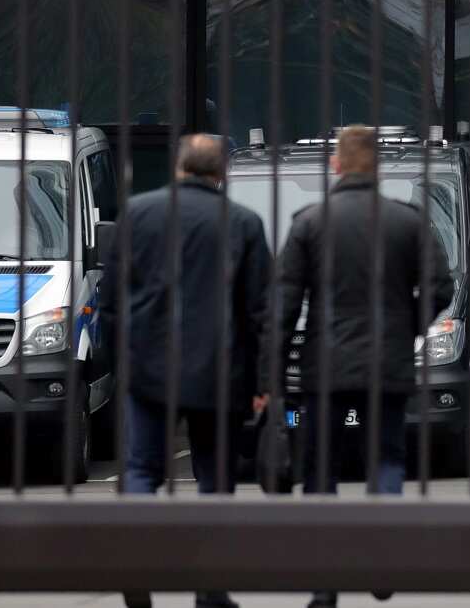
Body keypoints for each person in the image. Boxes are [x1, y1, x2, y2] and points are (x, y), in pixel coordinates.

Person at [275, 125, 454, 608]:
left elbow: (286, 305)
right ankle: (382, 559)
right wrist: (408, 329)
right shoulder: (407, 222)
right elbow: (441, 288)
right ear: (376, 167)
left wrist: (272, 372)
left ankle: (324, 583)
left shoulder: (310, 222)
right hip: (387, 365)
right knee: (387, 461)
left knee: (320, 471)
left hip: (325, 368)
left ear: (336, 164)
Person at [99, 133, 271, 608]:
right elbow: (260, 313)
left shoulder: (137, 214)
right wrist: (261, 382)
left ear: (178, 167)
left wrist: (121, 364)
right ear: (222, 173)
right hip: (219, 370)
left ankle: (136, 564)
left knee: (139, 470)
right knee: (215, 479)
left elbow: (110, 302)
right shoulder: (243, 223)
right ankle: (210, 588)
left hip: (148, 366)